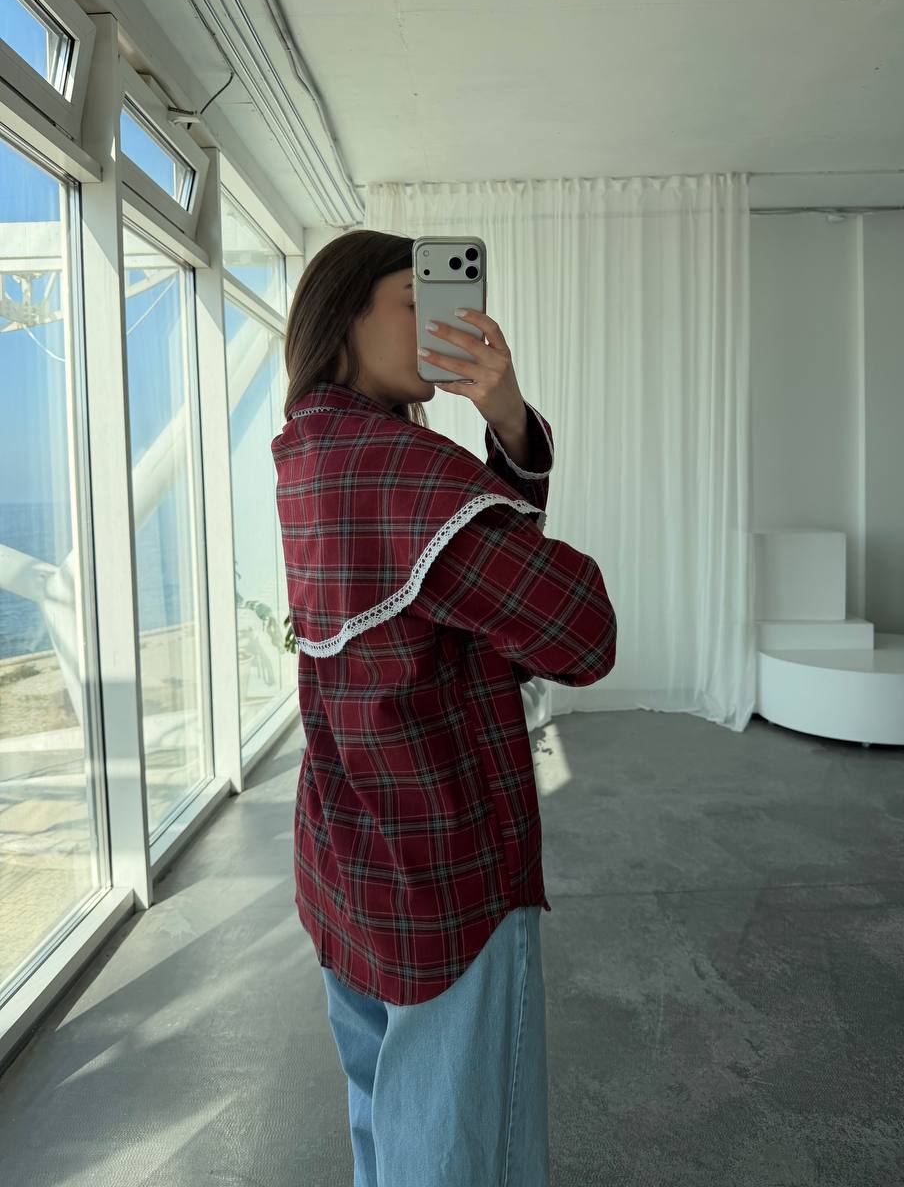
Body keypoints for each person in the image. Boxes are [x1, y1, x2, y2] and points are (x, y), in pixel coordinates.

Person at [271, 229, 617, 1187]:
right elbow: (580, 632)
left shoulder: (309, 448)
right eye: (411, 298)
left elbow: (464, 588)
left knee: (388, 1121)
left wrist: (506, 423)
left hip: (349, 847)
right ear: (345, 314)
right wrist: (503, 429)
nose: (440, 316)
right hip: (442, 858)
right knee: (461, 1157)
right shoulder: (399, 468)